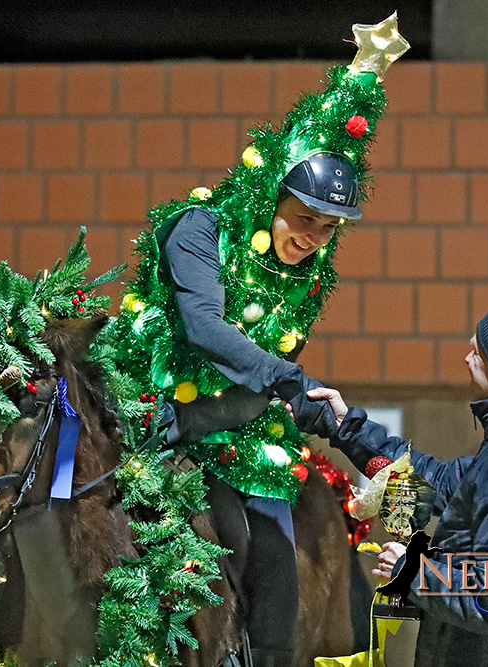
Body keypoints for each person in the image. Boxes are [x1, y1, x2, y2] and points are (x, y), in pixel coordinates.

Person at [290, 299, 488, 666]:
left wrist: (415, 573)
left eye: (480, 353)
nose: (469, 354)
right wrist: (343, 427)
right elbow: (433, 485)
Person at [158, 152, 361, 667]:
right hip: (152, 413)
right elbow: (203, 327)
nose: (314, 236)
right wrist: (284, 378)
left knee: (274, 551)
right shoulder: (202, 228)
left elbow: (271, 374)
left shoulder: (308, 275)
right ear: (271, 197)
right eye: (305, 217)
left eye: (329, 226)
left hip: (240, 427)